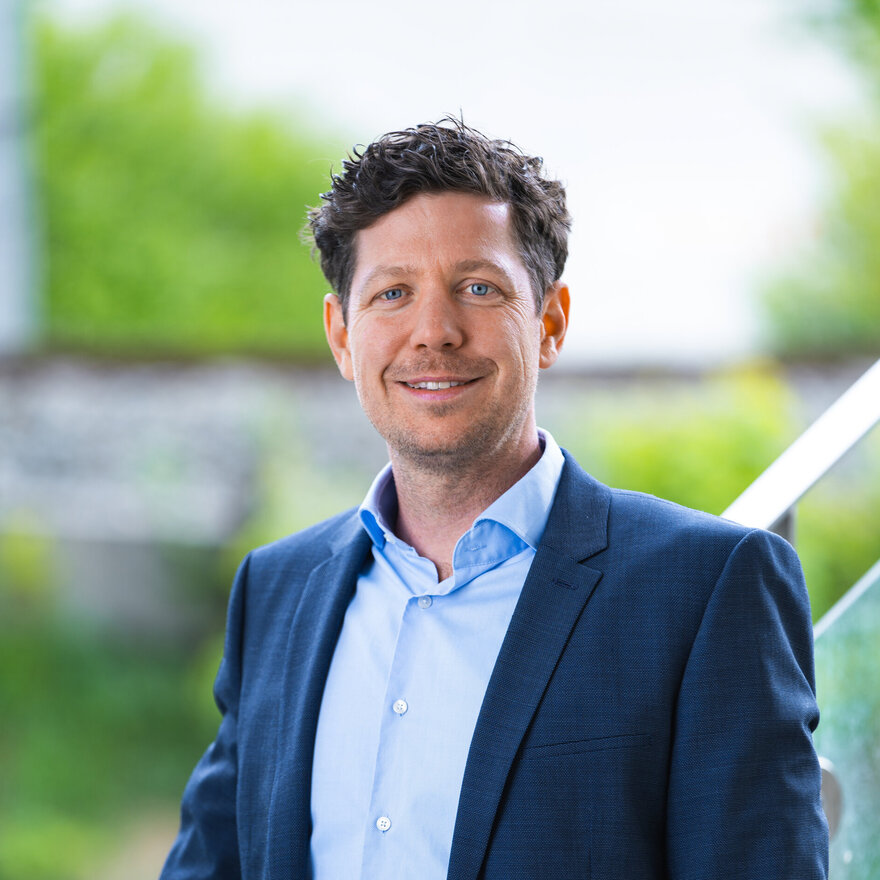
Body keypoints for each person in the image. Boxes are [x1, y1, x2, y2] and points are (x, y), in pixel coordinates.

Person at [160, 118, 828, 879]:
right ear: (342, 335)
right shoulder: (276, 590)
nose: (434, 332)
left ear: (550, 322)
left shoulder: (704, 589)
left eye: (478, 288)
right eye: (392, 293)